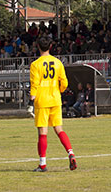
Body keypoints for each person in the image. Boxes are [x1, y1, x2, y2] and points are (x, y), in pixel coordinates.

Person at [28, 35, 76, 172]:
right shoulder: (58, 63)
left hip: (42, 101)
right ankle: (70, 153)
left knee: (43, 132)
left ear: (38, 47)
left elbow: (34, 84)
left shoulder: (35, 64)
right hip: (55, 99)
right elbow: (65, 82)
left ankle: (42, 164)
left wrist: (31, 100)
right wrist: (58, 91)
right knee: (59, 129)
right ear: (50, 47)